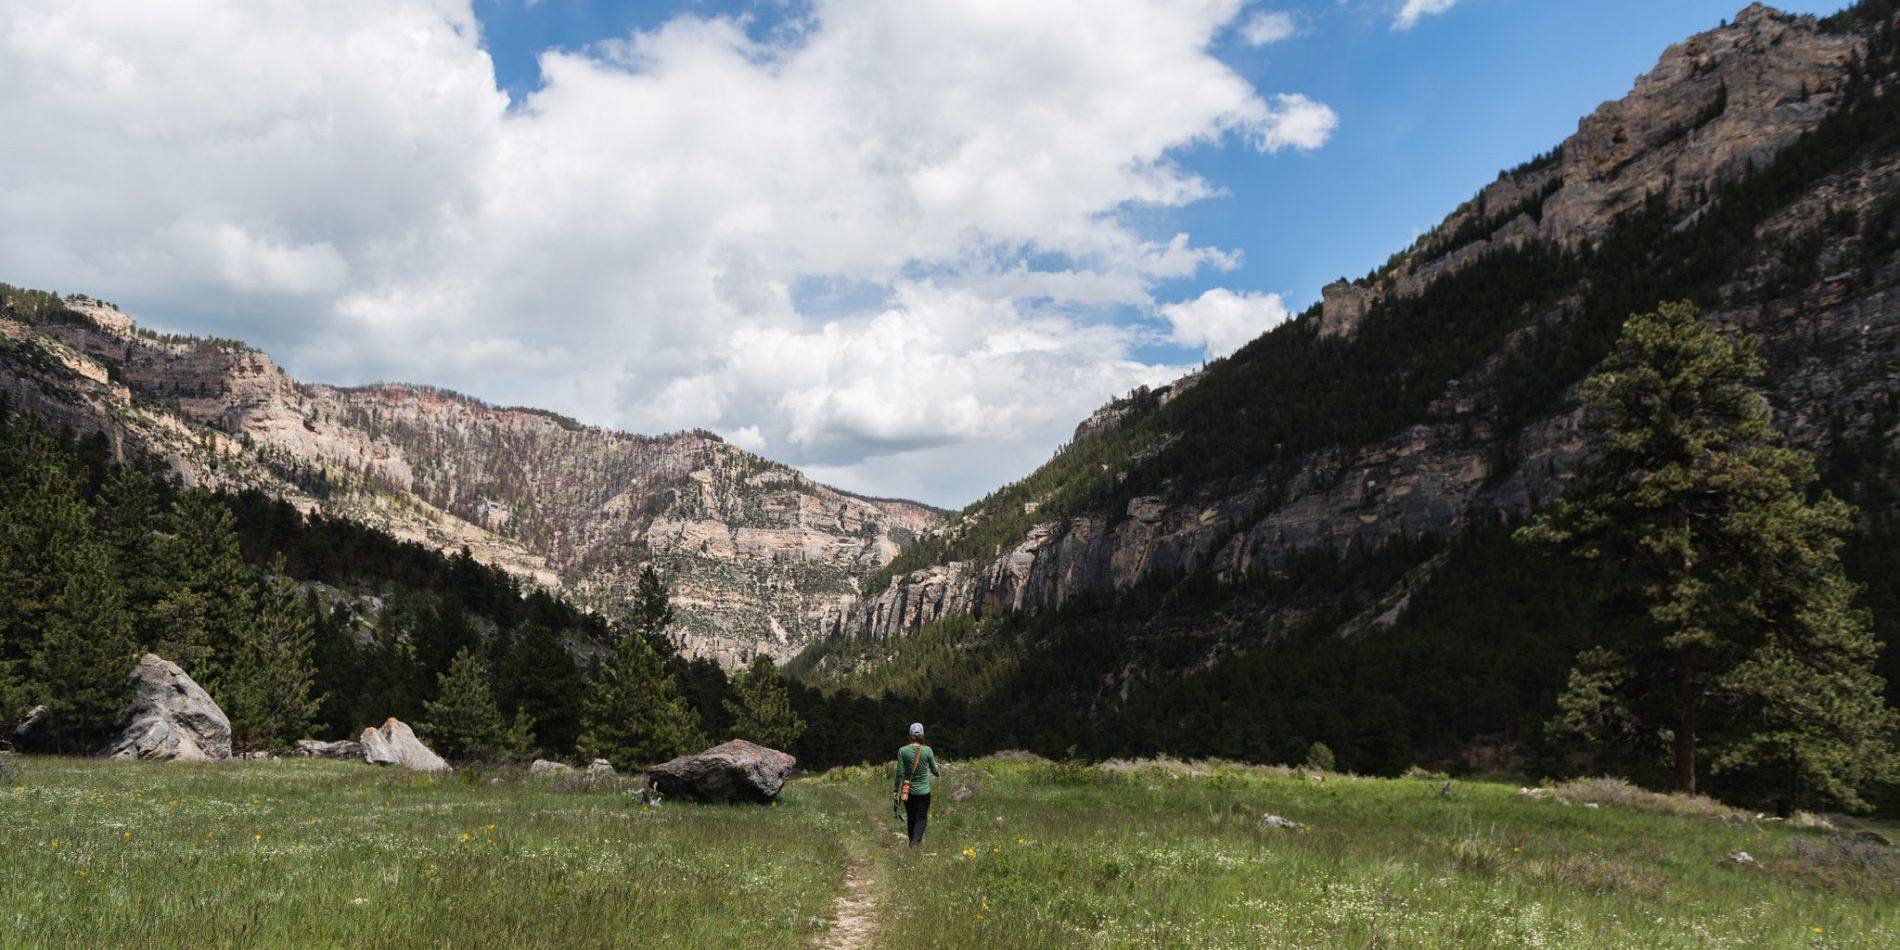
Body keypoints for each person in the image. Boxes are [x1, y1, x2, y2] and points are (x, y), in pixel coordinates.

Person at [893, 722, 939, 846]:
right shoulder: (927, 750)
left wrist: (896, 789)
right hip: (924, 792)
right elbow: (934, 770)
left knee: (911, 817)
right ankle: (915, 843)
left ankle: (911, 843)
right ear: (922, 736)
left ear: (910, 736)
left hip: (908, 792)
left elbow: (900, 772)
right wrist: (937, 772)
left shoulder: (902, 751)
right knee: (921, 818)